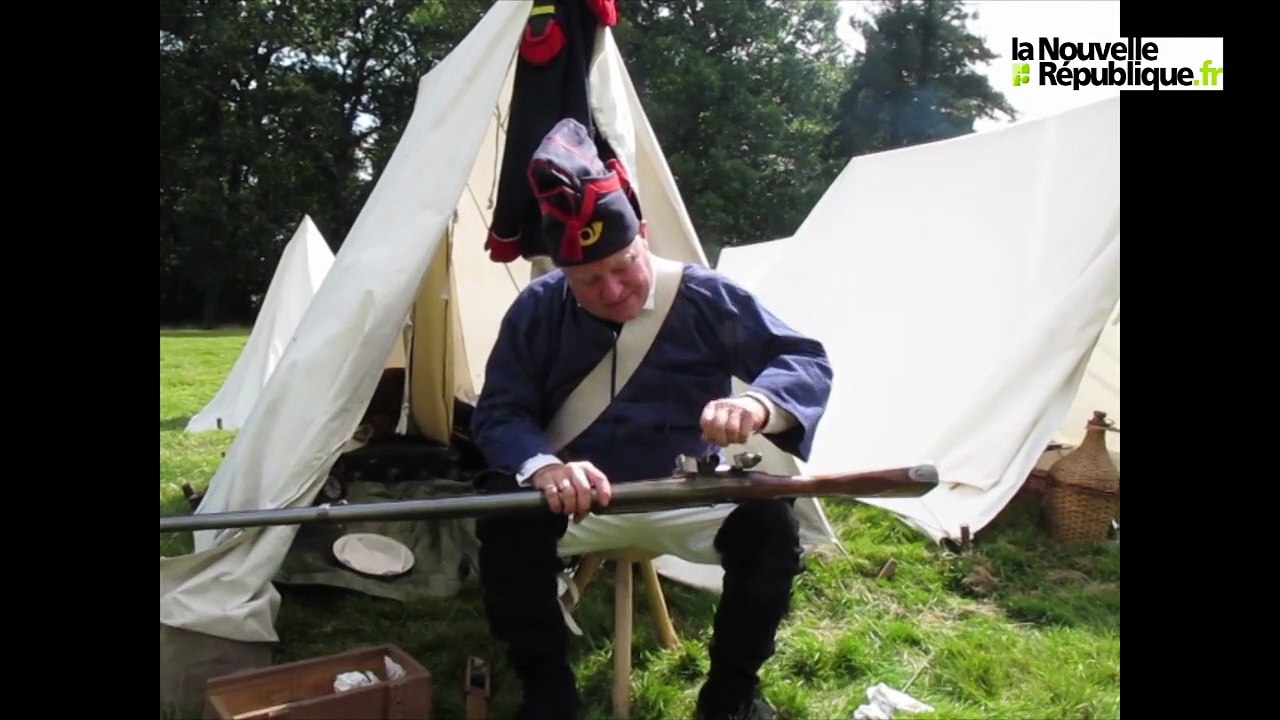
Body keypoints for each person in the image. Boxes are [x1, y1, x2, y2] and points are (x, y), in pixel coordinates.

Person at [470, 117, 834, 720]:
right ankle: (548, 694)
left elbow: (801, 358)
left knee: (770, 530)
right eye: (589, 280)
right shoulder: (537, 310)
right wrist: (542, 467)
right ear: (563, 272)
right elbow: (500, 411)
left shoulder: (705, 296)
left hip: (684, 492)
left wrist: (757, 405)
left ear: (642, 234)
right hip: (573, 504)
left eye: (624, 265)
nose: (613, 289)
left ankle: (731, 697)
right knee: (502, 520)